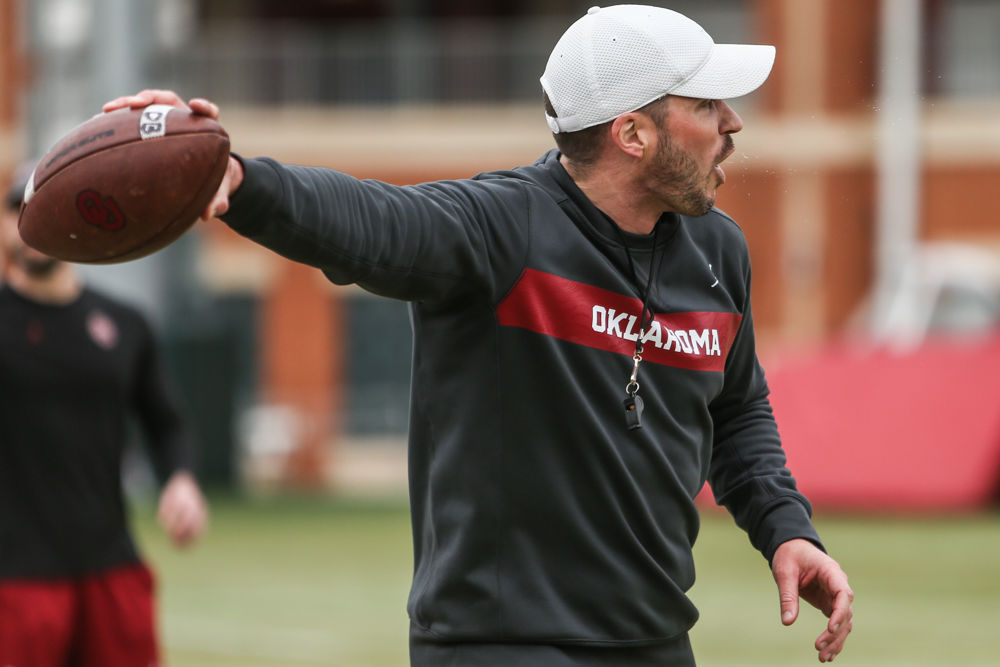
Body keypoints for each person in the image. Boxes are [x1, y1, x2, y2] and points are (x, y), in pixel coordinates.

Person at [105, 4, 853, 665]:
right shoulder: (501, 230)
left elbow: (737, 410)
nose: (733, 123)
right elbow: (372, 221)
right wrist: (240, 179)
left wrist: (787, 529)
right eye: (707, 104)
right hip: (500, 642)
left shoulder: (719, 252)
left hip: (654, 639)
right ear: (633, 133)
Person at [0, 161, 209, 666]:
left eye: (49, 207)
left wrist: (181, 479)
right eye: (17, 209)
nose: (31, 221)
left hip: (109, 566)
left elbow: (167, 422)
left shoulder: (124, 325)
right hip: (13, 576)